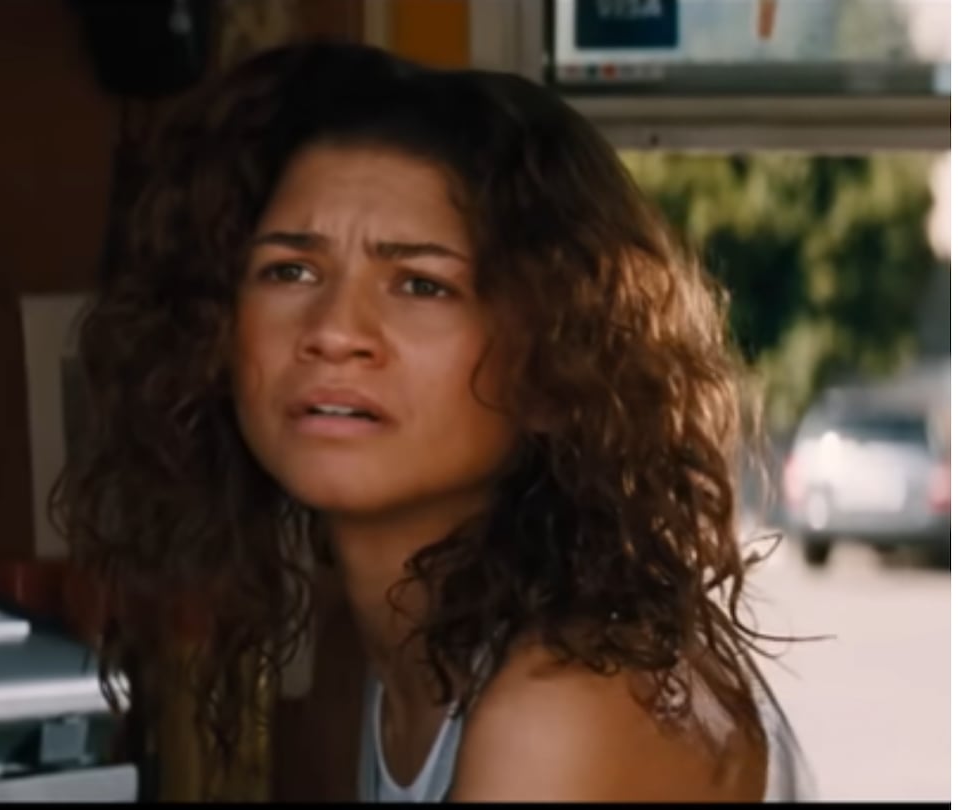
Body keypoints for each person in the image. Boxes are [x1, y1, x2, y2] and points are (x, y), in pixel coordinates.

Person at [52, 42, 811, 802]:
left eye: (420, 284)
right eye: (291, 270)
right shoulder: (360, 652)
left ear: (556, 363)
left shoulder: (565, 708)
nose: (333, 330)